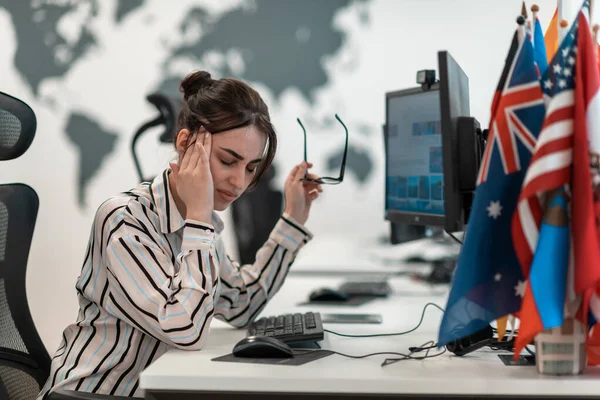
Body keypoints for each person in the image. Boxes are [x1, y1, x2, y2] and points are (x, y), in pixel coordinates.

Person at [38, 71, 322, 398]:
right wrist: (200, 218)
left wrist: (293, 219)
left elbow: (242, 303)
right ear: (185, 143)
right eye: (228, 161)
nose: (239, 182)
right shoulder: (124, 221)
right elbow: (185, 328)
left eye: (250, 167)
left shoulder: (202, 225)